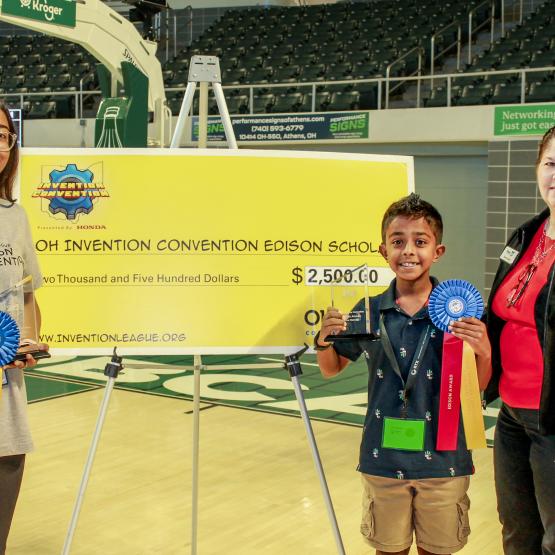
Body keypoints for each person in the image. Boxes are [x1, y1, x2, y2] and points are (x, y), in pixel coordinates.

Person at [315, 193, 491, 555]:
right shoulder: (366, 309)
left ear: (437, 251)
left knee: (437, 551)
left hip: (444, 459)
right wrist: (323, 342)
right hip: (383, 457)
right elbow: (332, 369)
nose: (408, 251)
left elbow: (480, 387)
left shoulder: (460, 312)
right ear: (383, 251)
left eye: (420, 242)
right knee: (388, 550)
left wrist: (484, 351)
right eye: (398, 242)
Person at [485, 126, 555, 555]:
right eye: (551, 163)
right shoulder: (527, 234)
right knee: (517, 531)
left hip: (554, 418)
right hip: (513, 412)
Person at [0, 103, 48, 555]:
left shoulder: (14, 215)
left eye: (2, 135)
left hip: (6, 380)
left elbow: (28, 292)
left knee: (7, 467)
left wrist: (29, 341)